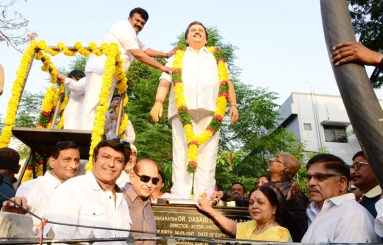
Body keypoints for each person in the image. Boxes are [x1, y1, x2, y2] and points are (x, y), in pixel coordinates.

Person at [150, 21, 239, 196]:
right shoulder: (176, 57)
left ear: (206, 38)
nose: (197, 32)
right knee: (182, 153)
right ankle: (180, 195)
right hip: (182, 111)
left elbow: (228, 82)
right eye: (193, 30)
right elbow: (165, 80)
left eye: (200, 31)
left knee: (208, 155)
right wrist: (158, 102)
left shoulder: (216, 58)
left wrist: (233, 104)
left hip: (212, 111)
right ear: (187, 38)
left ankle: (205, 196)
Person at [80, 8, 176, 130]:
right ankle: (84, 134)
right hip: (101, 69)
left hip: (110, 74)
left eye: (142, 23)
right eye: (137, 20)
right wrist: (161, 66)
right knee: (92, 103)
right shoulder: (123, 27)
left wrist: (167, 55)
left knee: (102, 105)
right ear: (129, 18)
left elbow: (145, 49)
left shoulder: (133, 35)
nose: (139, 24)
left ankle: (94, 134)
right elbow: (137, 53)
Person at [43, 139, 131, 244]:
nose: (111, 164)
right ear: (94, 160)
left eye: (118, 160)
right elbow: (55, 240)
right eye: (106, 157)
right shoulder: (73, 189)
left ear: (123, 166)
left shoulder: (122, 199)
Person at [211, 153, 308, 242]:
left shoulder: (294, 193)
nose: (270, 159)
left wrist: (291, 203)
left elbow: (301, 230)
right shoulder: (265, 187)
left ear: (285, 168)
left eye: (276, 159)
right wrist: (223, 194)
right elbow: (245, 200)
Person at [2, 141, 80, 232]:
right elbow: (16, 226)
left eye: (76, 161)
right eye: (67, 159)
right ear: (52, 162)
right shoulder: (32, 188)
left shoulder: (80, 190)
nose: (73, 166)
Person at [301, 154, 378, 243]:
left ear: (342, 183)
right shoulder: (318, 211)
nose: (311, 183)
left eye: (320, 177)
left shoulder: (352, 215)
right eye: (309, 178)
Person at [197, 185, 292, 242]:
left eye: (260, 202)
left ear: (273, 209)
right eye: (251, 203)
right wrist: (210, 210)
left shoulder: (279, 234)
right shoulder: (253, 225)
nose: (254, 206)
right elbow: (234, 228)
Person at [124, 158, 159, 245]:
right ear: (132, 177)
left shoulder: (147, 203)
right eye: (145, 178)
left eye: (154, 181)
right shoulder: (119, 200)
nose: (149, 185)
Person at [350, 151, 381, 217]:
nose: (352, 172)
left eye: (357, 165)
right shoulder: (362, 200)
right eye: (352, 168)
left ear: (375, 166)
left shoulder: (381, 200)